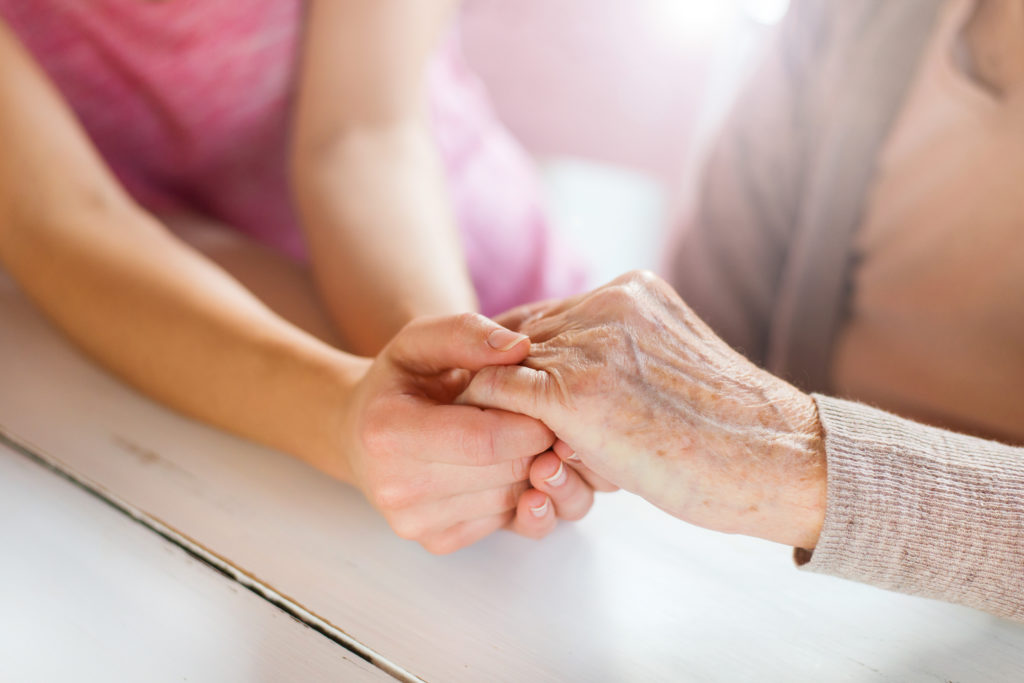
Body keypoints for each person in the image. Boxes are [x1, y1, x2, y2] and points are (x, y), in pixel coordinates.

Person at [463, 0, 1024, 621]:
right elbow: (698, 348)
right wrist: (573, 424)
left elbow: (725, 429)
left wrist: (783, 463)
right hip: (771, 599)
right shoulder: (846, 19)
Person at [0, 0, 605, 553]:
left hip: (485, 289)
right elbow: (60, 223)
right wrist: (349, 414)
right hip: (200, 362)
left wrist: (453, 379)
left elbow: (361, 135)